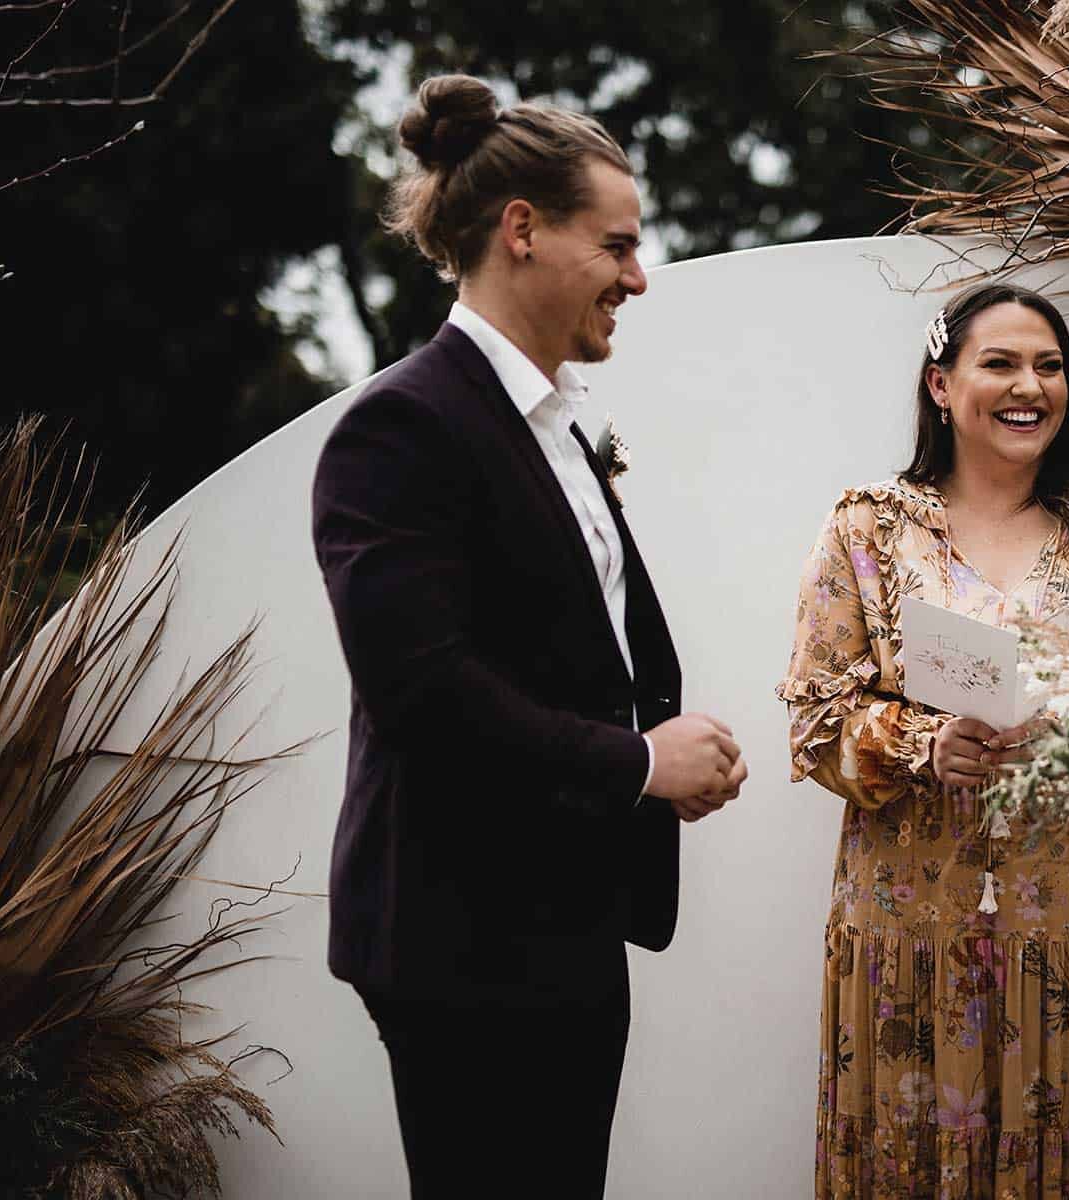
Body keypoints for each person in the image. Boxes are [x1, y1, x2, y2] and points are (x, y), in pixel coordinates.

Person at [310, 74, 746, 1198]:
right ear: (521, 232)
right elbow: (427, 691)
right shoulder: (402, 425)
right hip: (464, 935)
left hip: (568, 912)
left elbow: (576, 639)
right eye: (617, 245)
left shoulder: (552, 421)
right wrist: (644, 764)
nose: (638, 277)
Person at [779, 283, 1069, 1198]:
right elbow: (814, 721)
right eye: (1001, 363)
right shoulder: (870, 529)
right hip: (918, 935)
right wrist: (918, 743)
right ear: (941, 385)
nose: (1030, 386)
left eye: (1050, 366)